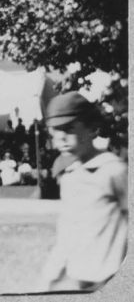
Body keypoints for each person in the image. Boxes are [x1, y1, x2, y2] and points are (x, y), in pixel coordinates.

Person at [40, 92, 128, 292]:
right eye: (54, 131)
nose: (60, 139)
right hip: (79, 278)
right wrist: (51, 273)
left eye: (69, 129)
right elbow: (67, 231)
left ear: (91, 129)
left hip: (111, 277)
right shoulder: (69, 176)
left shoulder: (113, 170)